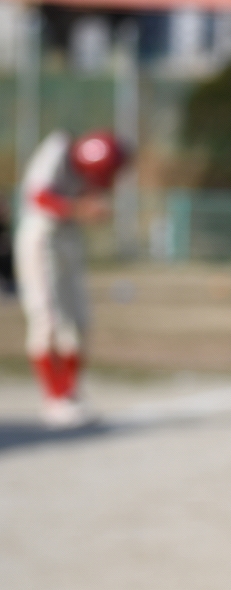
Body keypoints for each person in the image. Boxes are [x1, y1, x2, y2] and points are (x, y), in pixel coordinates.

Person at [15, 128, 128, 429]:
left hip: (69, 238)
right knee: (48, 319)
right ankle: (54, 399)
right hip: (43, 238)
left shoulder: (89, 176)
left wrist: (91, 208)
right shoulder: (58, 149)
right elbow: (38, 197)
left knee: (79, 319)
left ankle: (69, 394)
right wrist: (79, 208)